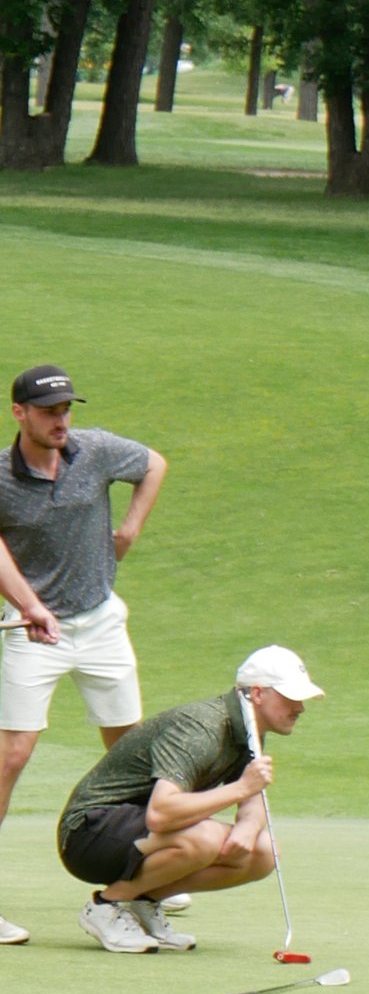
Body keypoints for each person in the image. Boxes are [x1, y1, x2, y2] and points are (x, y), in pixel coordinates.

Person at [0, 364, 167, 947]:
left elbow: (153, 464)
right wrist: (30, 605)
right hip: (31, 630)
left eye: (66, 409)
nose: (60, 421)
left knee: (131, 749)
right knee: (11, 755)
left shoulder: (94, 450)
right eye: (48, 412)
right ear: (19, 413)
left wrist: (129, 530)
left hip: (100, 622)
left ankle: (149, 874)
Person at [55, 647, 323, 954]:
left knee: (263, 852)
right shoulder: (201, 728)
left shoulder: (248, 729)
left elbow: (252, 797)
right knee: (206, 838)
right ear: (257, 694)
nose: (300, 708)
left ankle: (143, 903)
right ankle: (107, 906)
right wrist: (239, 790)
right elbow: (161, 814)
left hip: (132, 835)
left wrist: (248, 827)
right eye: (291, 697)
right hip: (87, 834)